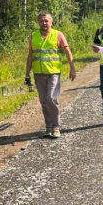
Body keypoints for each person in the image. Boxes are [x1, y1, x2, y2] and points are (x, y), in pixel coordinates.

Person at [25, 11, 76, 139]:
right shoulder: (33, 36)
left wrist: (72, 68)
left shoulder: (58, 35)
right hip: (38, 74)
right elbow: (30, 56)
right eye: (42, 21)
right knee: (43, 101)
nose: (44, 23)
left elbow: (67, 51)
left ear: (51, 22)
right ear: (38, 22)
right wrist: (27, 74)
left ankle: (56, 127)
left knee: (51, 98)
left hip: (53, 73)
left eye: (46, 20)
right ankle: (48, 127)